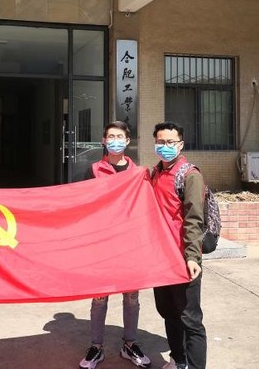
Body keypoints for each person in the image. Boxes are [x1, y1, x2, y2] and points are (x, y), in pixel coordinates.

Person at [79, 121, 151, 369]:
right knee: (99, 297)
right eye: (111, 136)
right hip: (102, 244)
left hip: (130, 244)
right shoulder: (93, 170)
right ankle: (96, 347)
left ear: (128, 141)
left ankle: (129, 344)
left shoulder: (138, 173)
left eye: (120, 137)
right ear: (103, 140)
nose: (115, 141)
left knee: (131, 296)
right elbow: (83, 204)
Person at [151, 121, 207, 369]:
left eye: (170, 142)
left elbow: (194, 219)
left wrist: (193, 257)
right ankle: (178, 359)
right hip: (161, 258)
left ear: (180, 144)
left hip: (183, 258)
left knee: (190, 319)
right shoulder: (155, 173)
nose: (165, 146)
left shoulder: (190, 175)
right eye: (160, 142)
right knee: (169, 312)